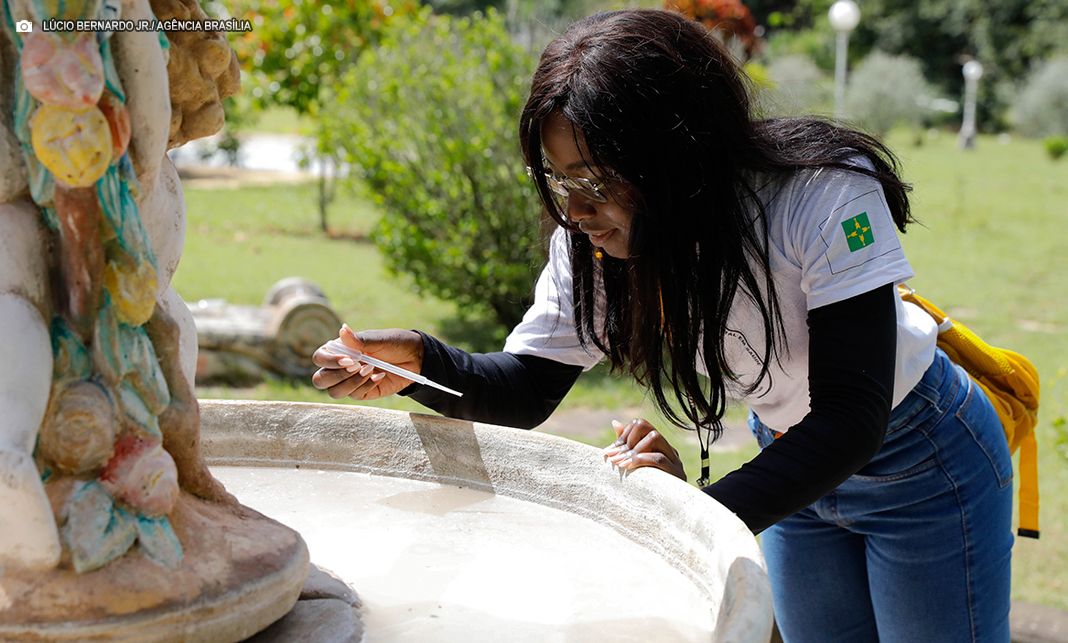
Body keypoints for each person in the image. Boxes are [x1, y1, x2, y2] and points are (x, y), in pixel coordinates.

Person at [312, 9, 1013, 641]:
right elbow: (527, 387)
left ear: (677, 158)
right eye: (558, 180)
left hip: (920, 462)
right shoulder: (593, 248)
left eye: (594, 179)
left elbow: (851, 417)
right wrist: (419, 360)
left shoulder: (823, 195)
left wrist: (685, 523)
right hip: (795, 465)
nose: (574, 209)